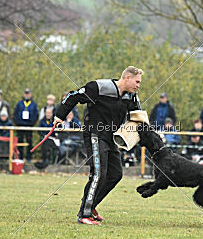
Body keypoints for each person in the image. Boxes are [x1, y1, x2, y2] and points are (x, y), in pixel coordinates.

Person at [54, 66, 142, 225]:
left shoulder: (132, 97)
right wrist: (60, 116)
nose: (138, 85)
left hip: (112, 138)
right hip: (94, 134)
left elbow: (138, 118)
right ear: (127, 78)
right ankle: (84, 214)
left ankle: (92, 204)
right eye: (137, 81)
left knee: (115, 174)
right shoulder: (98, 87)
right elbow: (73, 96)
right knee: (98, 172)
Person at [14, 88, 39, 162]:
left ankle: (29, 157)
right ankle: (20, 157)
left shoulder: (33, 104)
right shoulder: (19, 103)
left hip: (29, 126)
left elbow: (36, 114)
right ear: (23, 94)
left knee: (29, 142)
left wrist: (32, 123)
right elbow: (15, 114)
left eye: (28, 93)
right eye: (25, 93)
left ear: (31, 94)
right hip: (20, 126)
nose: (27, 95)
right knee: (20, 141)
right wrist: (17, 122)